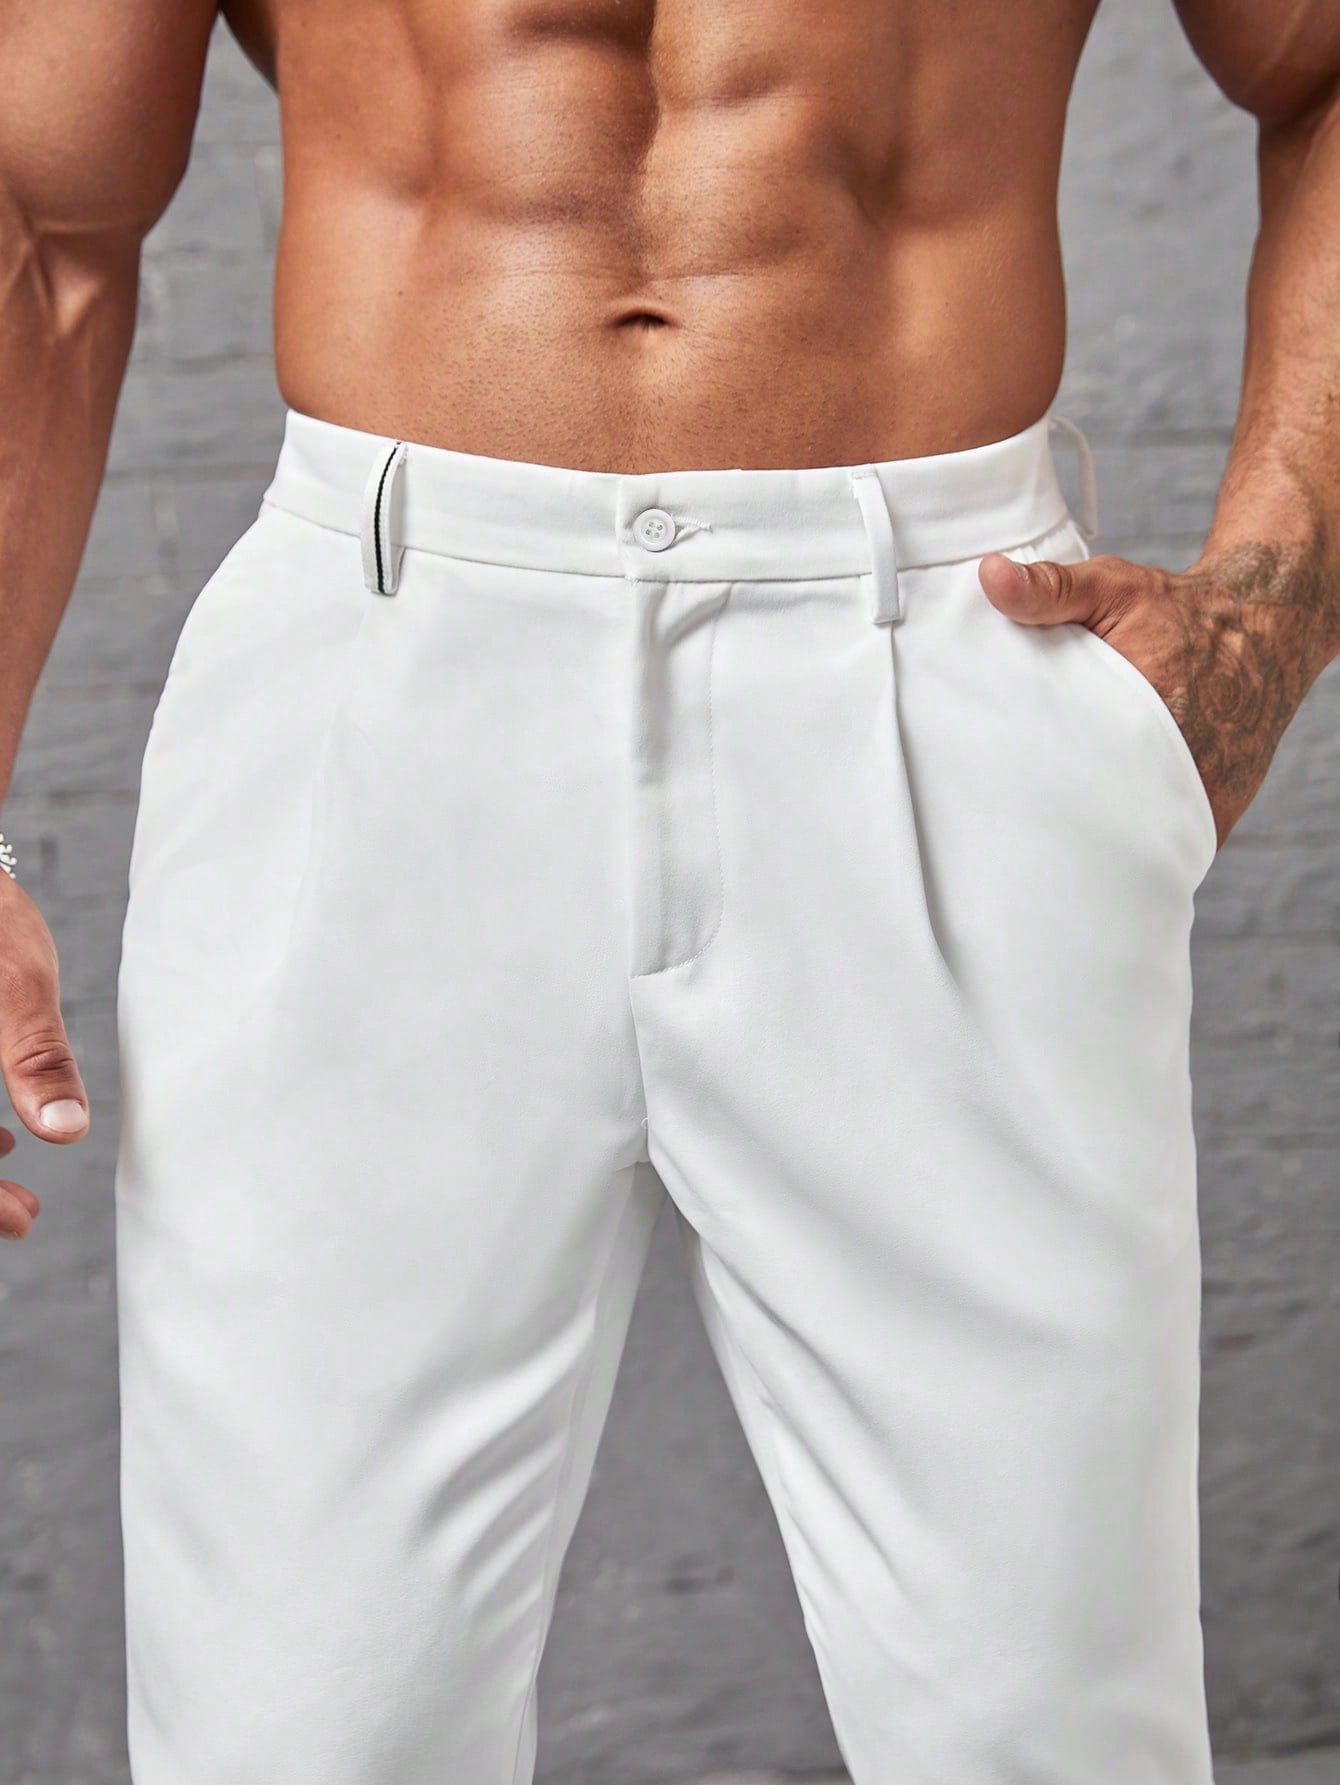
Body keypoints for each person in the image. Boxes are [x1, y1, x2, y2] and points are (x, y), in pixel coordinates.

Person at [2, 2, 1337, 1780]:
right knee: (297, 1728)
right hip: (374, 684)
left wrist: (1266, 611)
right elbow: (43, 220)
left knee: (1043, 1725)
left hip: (940, 657)